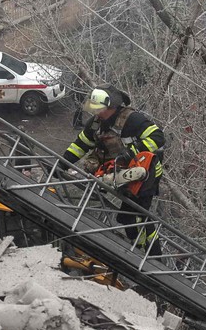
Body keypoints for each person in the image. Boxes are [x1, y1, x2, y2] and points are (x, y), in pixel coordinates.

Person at [64, 89, 167, 243]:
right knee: (127, 218)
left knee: (136, 217)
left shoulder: (132, 120)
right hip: (124, 173)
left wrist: (132, 152)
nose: (96, 112)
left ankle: (151, 254)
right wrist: (63, 162)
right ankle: (138, 248)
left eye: (99, 109)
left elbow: (158, 137)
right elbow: (80, 145)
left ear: (111, 107)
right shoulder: (96, 124)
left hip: (146, 174)